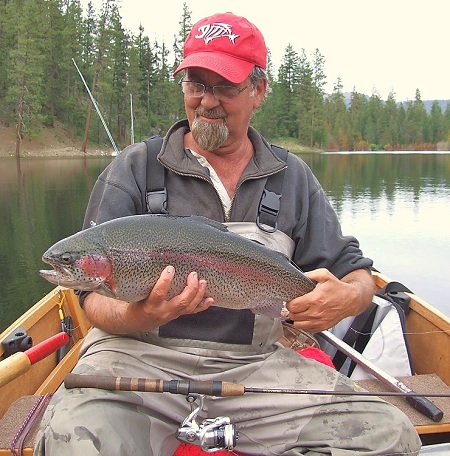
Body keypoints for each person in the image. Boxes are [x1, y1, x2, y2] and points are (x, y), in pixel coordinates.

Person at [35, 12, 421, 456]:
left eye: (224, 86)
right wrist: (140, 316)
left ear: (258, 90)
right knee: (73, 443)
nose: (207, 100)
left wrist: (346, 299)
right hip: (132, 360)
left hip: (254, 368)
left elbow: (355, 274)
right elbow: (91, 299)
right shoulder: (134, 169)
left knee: (391, 436)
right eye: (196, 84)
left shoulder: (291, 178)